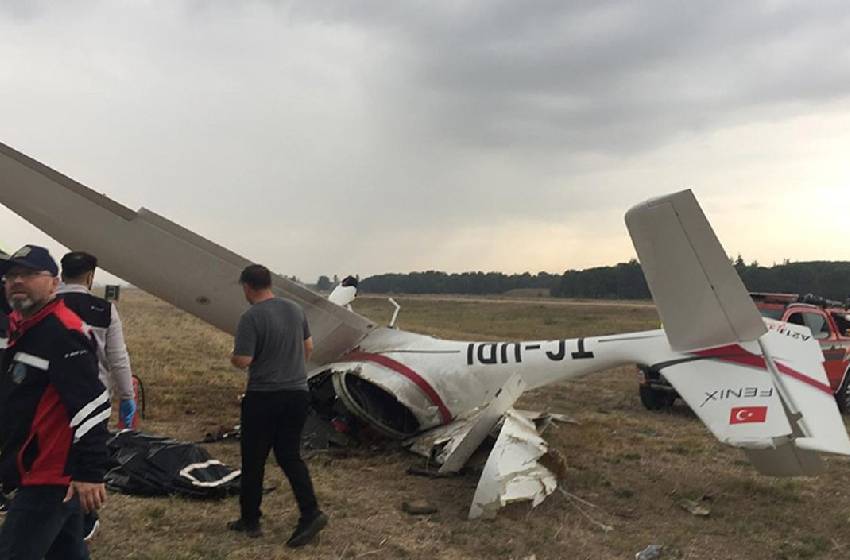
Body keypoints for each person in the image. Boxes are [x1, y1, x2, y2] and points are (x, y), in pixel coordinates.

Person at [0, 245, 110, 559]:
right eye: (11, 276)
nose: (17, 281)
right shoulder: (25, 328)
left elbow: (92, 404)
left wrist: (90, 472)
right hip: (39, 470)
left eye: (30, 274)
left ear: (54, 282)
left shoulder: (62, 333)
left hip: (48, 474)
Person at [228, 264, 328, 547]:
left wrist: (233, 357)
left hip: (264, 397)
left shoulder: (251, 317)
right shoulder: (295, 310)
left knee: (254, 458)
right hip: (297, 394)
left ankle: (250, 520)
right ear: (270, 284)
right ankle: (310, 512)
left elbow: (244, 360)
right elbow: (308, 347)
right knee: (288, 455)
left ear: (247, 287)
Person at [57, 251, 136, 428]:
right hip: (94, 397)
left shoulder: (46, 306)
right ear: (90, 276)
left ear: (62, 275)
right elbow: (118, 358)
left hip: (52, 396)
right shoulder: (105, 310)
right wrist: (127, 396)